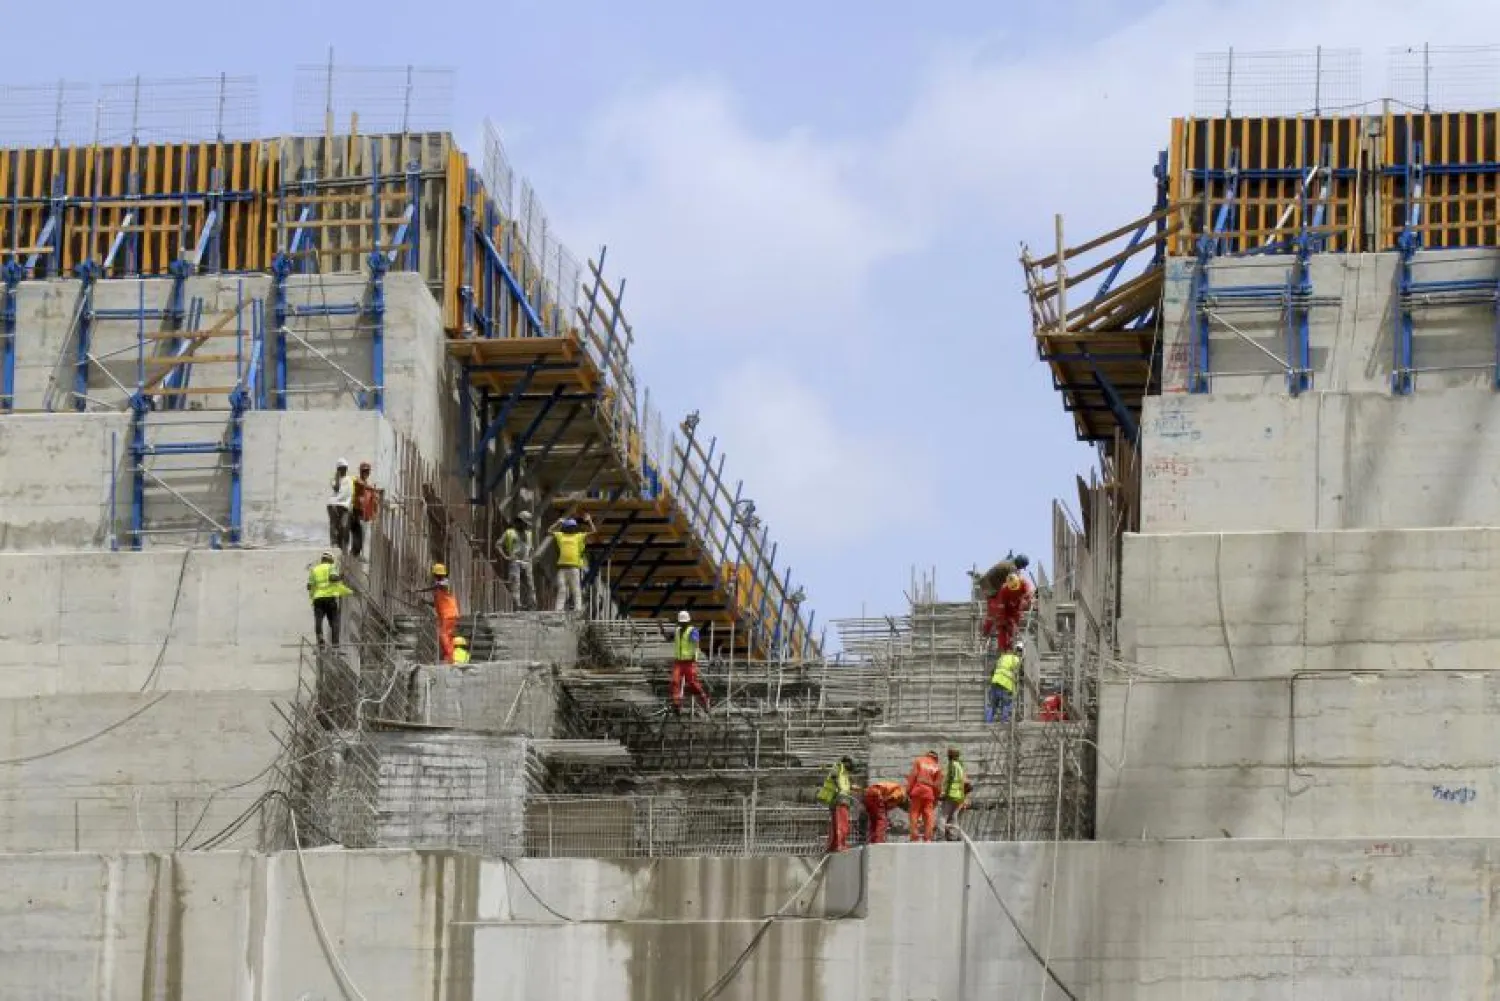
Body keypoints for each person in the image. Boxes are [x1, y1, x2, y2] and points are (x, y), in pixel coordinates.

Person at [546, 513, 595, 613]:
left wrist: (589, 520)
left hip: (574, 567)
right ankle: (558, 610)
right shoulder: (560, 535)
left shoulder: (578, 536)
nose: (570, 529)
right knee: (562, 589)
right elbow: (548, 531)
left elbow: (594, 531)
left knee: (576, 589)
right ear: (565, 527)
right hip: (562, 568)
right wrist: (557, 522)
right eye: (569, 527)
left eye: (572, 527)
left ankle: (578, 609)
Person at [306, 550, 353, 647]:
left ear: (322, 560)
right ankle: (335, 644)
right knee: (334, 621)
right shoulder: (331, 567)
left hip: (318, 599)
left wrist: (315, 592)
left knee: (318, 620)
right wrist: (341, 577)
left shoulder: (314, 570)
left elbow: (309, 586)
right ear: (330, 560)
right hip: (330, 599)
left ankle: (320, 641)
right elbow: (332, 578)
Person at [668, 610, 710, 715]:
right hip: (678, 661)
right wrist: (662, 630)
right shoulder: (677, 630)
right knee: (675, 681)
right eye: (681, 622)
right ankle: (677, 704)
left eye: (684, 622)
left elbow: (696, 641)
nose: (682, 624)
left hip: (689, 662)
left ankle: (704, 701)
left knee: (692, 683)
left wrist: (695, 654)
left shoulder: (692, 630)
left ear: (687, 622)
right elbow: (669, 638)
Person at [419, 563, 461, 664]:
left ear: (437, 575)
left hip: (448, 615)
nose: (434, 576)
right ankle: (450, 658)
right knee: (448, 637)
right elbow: (437, 603)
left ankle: (450, 658)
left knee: (443, 635)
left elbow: (439, 585)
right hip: (448, 615)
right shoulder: (439, 589)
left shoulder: (445, 583)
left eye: (435, 575)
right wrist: (426, 602)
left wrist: (421, 590)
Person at [817, 756, 856, 852]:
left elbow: (844, 785)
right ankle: (839, 845)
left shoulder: (843, 772)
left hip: (840, 799)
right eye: (851, 764)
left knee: (837, 823)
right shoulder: (838, 766)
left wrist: (851, 788)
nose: (851, 767)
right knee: (841, 824)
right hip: (839, 799)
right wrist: (839, 789)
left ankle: (834, 845)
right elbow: (834, 778)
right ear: (847, 762)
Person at [499, 512, 536, 611]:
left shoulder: (529, 534)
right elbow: (498, 545)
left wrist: (530, 558)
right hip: (515, 562)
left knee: (530, 585)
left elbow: (531, 548)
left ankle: (531, 606)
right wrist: (506, 556)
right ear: (519, 521)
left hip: (526, 562)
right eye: (524, 523)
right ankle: (517, 607)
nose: (526, 526)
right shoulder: (509, 532)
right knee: (515, 585)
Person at [905, 749, 943, 842]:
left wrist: (908, 791)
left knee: (914, 813)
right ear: (936, 758)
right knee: (929, 815)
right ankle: (928, 838)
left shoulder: (919, 761)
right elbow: (938, 785)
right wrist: (936, 797)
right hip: (929, 793)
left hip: (917, 790)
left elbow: (913, 777)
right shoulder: (937, 767)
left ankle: (914, 837)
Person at [349, 461, 384, 560]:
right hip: (355, 511)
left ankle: (355, 553)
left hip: (362, 513)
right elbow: (362, 485)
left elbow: (370, 499)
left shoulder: (366, 484)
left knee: (361, 534)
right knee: (358, 534)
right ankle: (354, 553)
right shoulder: (357, 481)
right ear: (360, 471)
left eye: (367, 471)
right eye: (364, 471)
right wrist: (375, 489)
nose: (366, 473)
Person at [862, 780, 908, 845]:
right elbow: (891, 798)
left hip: (868, 795)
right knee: (882, 821)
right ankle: (879, 842)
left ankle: (872, 841)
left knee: (874, 821)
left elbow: (885, 806)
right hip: (876, 794)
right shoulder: (900, 792)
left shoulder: (893, 792)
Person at [939, 747, 971, 842]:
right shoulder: (960, 765)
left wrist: (945, 793)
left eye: (948, 754)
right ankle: (954, 836)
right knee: (954, 816)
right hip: (959, 795)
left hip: (951, 794)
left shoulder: (951, 765)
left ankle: (940, 837)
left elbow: (949, 781)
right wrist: (964, 797)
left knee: (943, 816)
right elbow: (964, 781)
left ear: (950, 755)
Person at [987, 640, 1022, 724]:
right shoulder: (1016, 659)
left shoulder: (1002, 657)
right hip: (1005, 684)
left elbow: (992, 670)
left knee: (993, 704)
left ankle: (988, 722)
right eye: (1020, 651)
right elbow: (1019, 672)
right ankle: (1004, 721)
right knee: (1006, 703)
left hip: (995, 682)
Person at [327, 459, 353, 553]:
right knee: (334, 525)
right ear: (338, 469)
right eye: (341, 468)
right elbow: (336, 489)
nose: (343, 470)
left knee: (344, 525)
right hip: (334, 504)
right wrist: (337, 478)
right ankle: (334, 544)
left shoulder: (349, 479)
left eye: (344, 468)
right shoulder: (334, 479)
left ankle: (343, 545)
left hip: (345, 506)